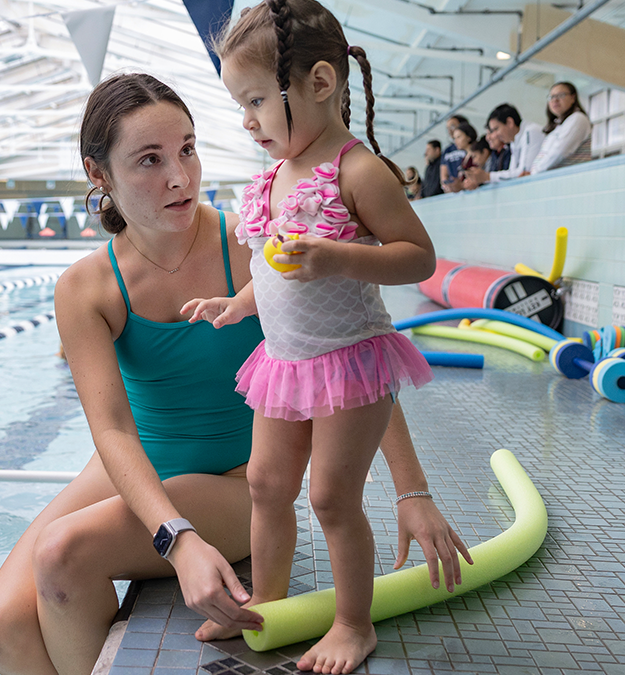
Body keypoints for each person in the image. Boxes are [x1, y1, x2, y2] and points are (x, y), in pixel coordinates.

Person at [0, 73, 470, 675]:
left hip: (237, 484)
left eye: (186, 149)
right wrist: (175, 538)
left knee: (64, 552)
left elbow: (352, 353)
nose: (179, 177)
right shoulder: (87, 286)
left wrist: (412, 490)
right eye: (149, 160)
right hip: (132, 469)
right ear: (98, 175)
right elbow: (112, 432)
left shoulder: (253, 240)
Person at [187, 3, 450, 672]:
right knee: (268, 486)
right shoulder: (275, 177)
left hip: (350, 362)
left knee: (333, 496)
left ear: (321, 83)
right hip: (282, 361)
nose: (246, 120)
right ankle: (266, 602)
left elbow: (417, 256)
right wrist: (238, 303)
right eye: (239, 104)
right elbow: (276, 269)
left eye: (255, 101)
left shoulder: (358, 171)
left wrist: (340, 257)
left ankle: (353, 623)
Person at [465, 104, 544, 186]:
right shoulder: (514, 140)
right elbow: (512, 172)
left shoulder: (530, 132)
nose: (495, 135)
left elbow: (524, 172)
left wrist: (488, 176)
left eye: (496, 129)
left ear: (510, 122)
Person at [531, 82, 591, 174]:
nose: (555, 100)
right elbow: (544, 156)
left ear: (573, 98)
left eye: (561, 95)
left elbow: (559, 153)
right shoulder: (558, 126)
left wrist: (534, 172)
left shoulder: (578, 118)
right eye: (551, 97)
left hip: (571, 180)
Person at [439, 115, 474, 192]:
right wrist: (447, 187)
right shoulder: (447, 150)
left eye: (452, 126)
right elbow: (443, 175)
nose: (450, 131)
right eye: (447, 128)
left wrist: (461, 185)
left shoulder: (474, 151)